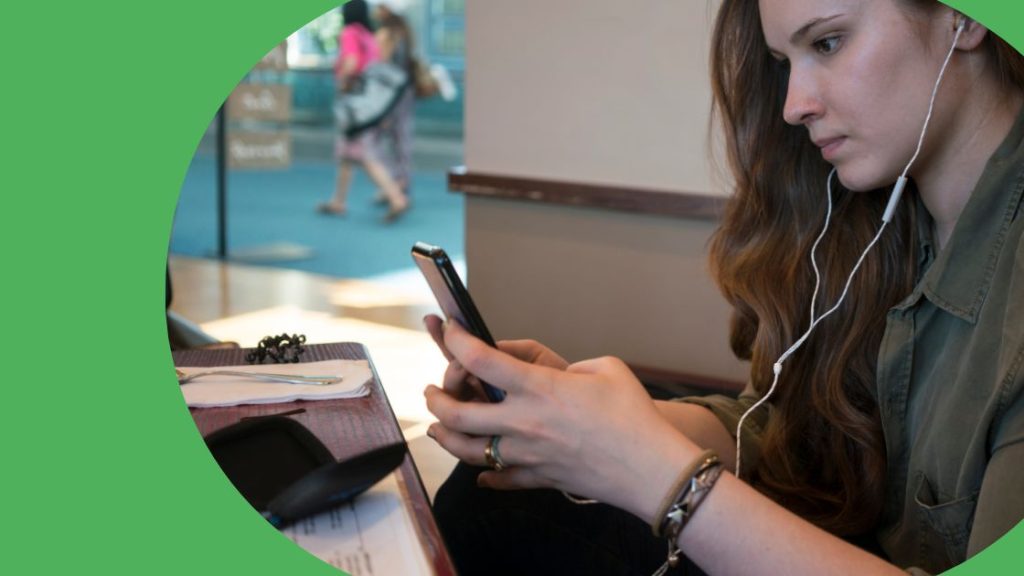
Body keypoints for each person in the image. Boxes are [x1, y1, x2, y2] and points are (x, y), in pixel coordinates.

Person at [421, 1, 1024, 575]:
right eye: (786, 62)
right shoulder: (877, 227)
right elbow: (776, 424)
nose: (793, 105)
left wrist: (663, 477)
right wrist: (592, 429)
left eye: (829, 42)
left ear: (963, 19)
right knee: (492, 501)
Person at [317, 0, 409, 222]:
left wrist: (342, 83)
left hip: (354, 105)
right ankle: (339, 200)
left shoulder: (350, 33)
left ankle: (395, 197)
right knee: (348, 154)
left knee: (363, 156)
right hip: (369, 105)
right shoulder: (369, 35)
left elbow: (350, 62)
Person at [373, 2, 417, 199]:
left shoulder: (389, 35)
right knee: (400, 136)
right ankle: (399, 181)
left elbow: (383, 64)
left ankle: (395, 182)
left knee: (386, 136)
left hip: (392, 93)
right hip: (403, 91)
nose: (376, 12)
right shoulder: (405, 33)